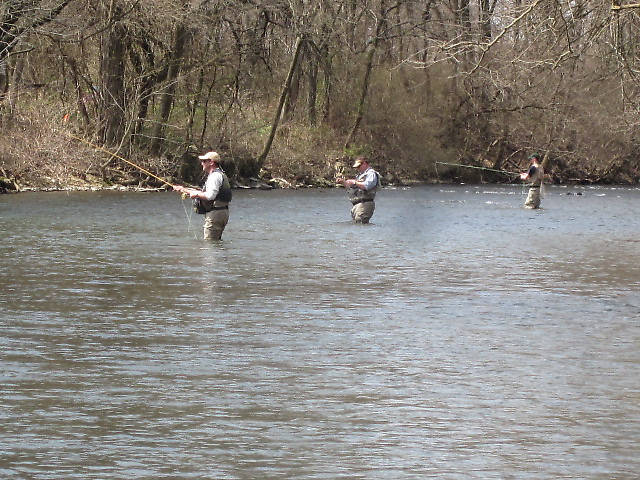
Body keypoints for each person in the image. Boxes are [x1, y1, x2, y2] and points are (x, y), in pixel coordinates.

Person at [174, 151, 232, 240]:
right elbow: (206, 192)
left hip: (215, 214)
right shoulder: (219, 174)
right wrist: (184, 189)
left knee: (210, 244)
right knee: (216, 242)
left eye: (204, 161)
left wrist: (196, 194)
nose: (202, 163)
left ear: (211, 162)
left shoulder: (214, 176)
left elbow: (210, 196)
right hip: (221, 212)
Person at [337, 156, 380, 223]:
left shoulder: (371, 174)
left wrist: (354, 182)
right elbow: (352, 188)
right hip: (356, 205)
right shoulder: (360, 175)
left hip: (365, 204)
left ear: (365, 163)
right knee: (356, 225)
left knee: (361, 224)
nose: (357, 168)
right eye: (357, 167)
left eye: (359, 166)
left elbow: (366, 186)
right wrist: (343, 182)